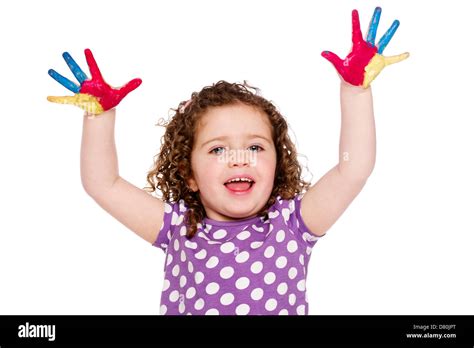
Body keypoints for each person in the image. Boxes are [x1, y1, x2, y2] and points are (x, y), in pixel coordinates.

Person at [47, 7, 408, 315]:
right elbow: (102, 183)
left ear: (277, 166)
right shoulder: (178, 228)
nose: (239, 160)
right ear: (189, 175)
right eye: (218, 149)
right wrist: (99, 117)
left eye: (255, 147)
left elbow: (353, 167)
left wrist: (355, 90)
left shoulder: (291, 226)